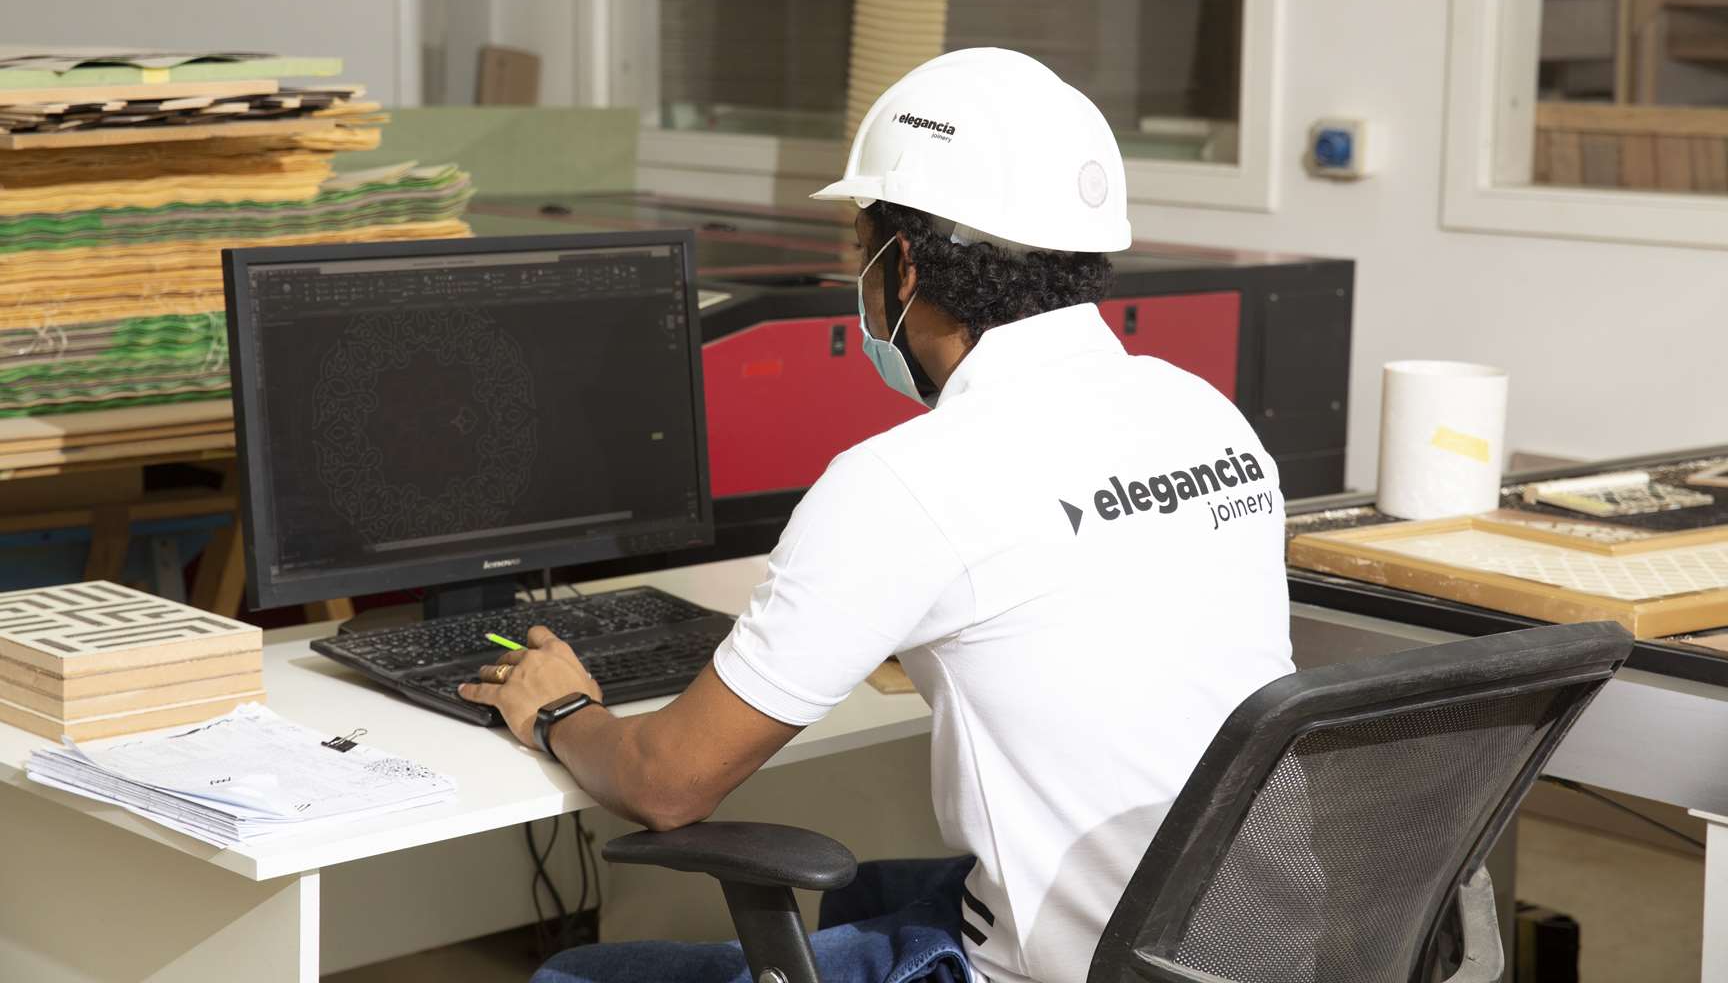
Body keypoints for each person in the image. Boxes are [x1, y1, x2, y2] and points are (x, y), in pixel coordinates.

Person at [460, 48, 1294, 983]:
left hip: (1077, 966)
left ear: (902, 266)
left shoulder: (908, 479)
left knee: (573, 979)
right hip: (1254, 944)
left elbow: (666, 783)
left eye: (860, 249)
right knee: (876, 894)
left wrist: (560, 708)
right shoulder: (1198, 409)